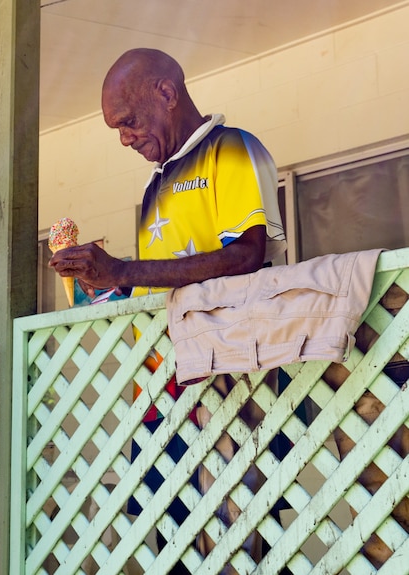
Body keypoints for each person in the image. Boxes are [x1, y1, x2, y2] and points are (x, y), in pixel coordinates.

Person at [49, 48, 286, 573]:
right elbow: (161, 283)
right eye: (116, 129)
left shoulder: (232, 148)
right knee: (172, 547)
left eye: (128, 121)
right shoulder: (156, 181)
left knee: (243, 544)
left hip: (233, 383)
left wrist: (125, 271)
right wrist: (101, 284)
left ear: (167, 93)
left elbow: (248, 255)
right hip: (161, 388)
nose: (125, 138)